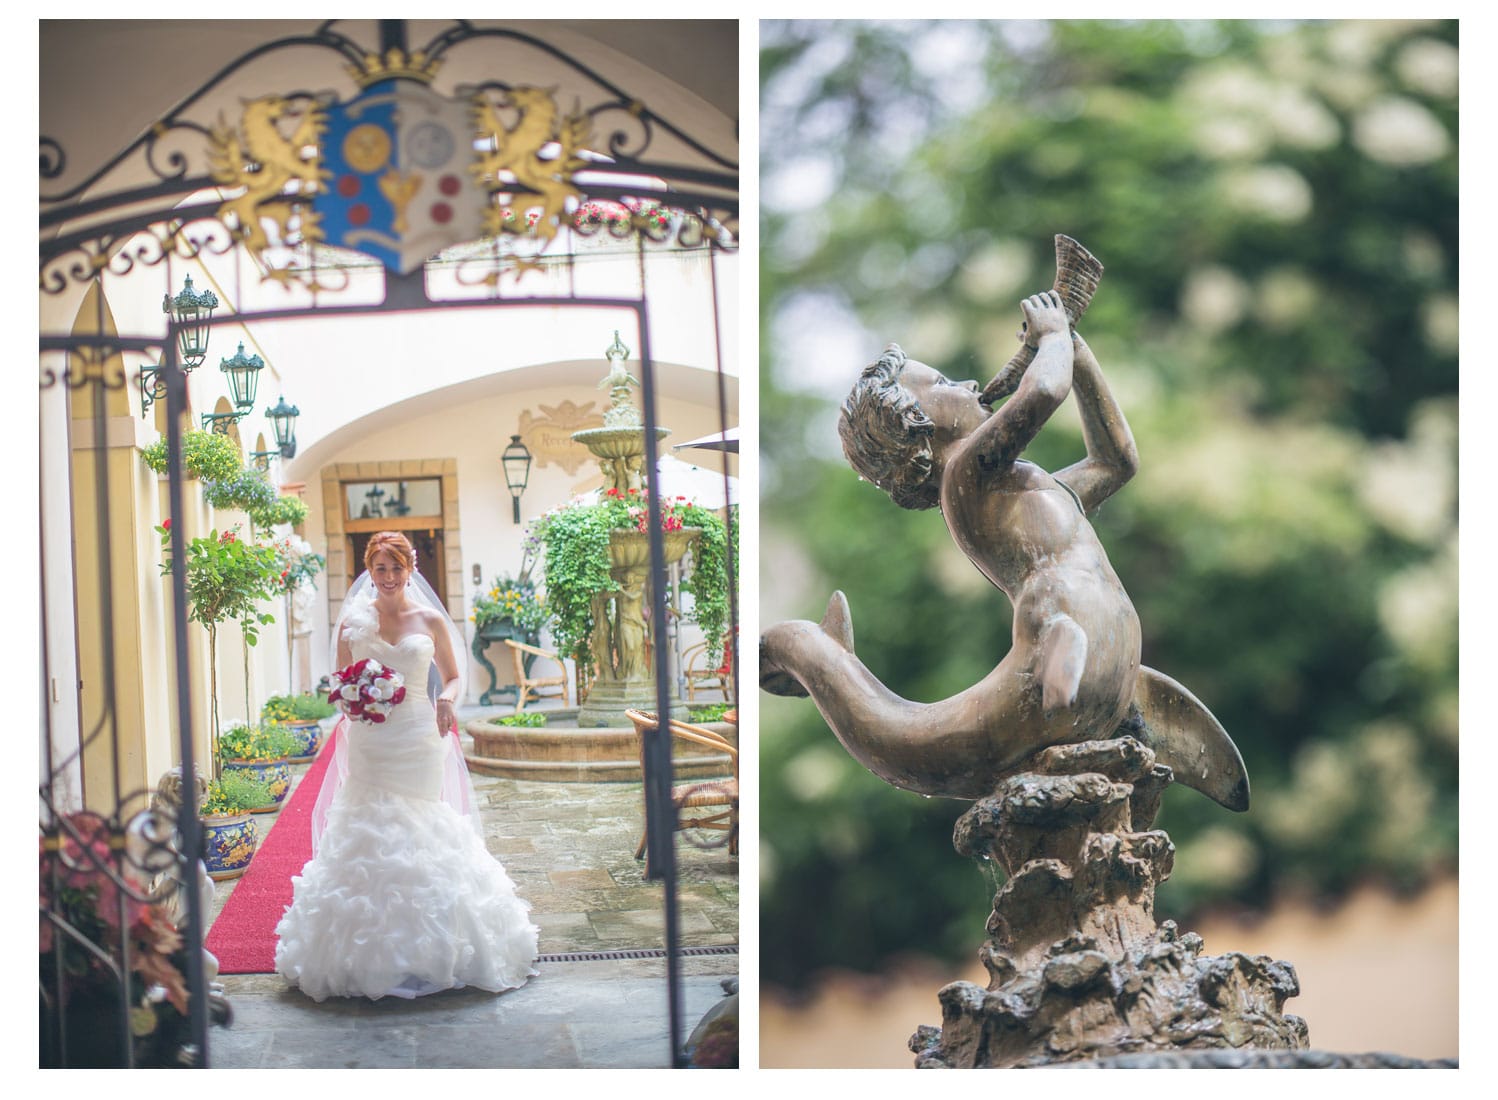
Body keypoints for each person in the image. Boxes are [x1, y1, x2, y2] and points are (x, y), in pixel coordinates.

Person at [761, 291, 1249, 810]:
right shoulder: (964, 479)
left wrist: (1079, 357)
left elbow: (1116, 461)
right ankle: (804, 650)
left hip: (1103, 667)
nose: (970, 383)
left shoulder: (1037, 495)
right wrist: (1054, 337)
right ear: (915, 425)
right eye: (946, 384)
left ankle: (818, 654)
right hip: (1057, 657)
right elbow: (1041, 391)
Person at [275, 532, 539, 1001]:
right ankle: (363, 951)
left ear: (410, 569)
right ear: (369, 571)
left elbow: (455, 677)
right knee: (367, 822)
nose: (390, 577)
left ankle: (433, 945)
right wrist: (355, 701)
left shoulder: (430, 619)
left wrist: (445, 699)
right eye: (381, 568)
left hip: (418, 733)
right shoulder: (353, 622)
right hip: (372, 739)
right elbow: (340, 681)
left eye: (397, 568)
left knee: (421, 821)